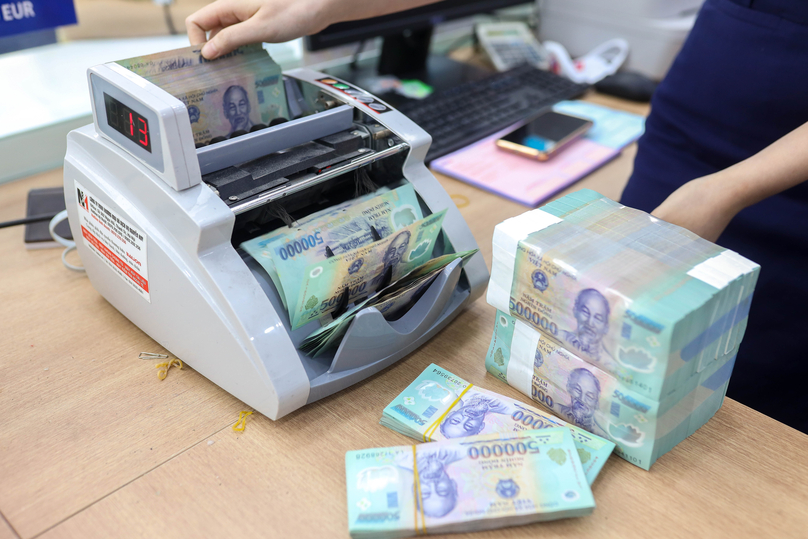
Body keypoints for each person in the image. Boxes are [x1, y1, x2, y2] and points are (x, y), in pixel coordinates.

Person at [186, 0, 808, 433]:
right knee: (613, 353)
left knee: (742, 396)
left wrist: (729, 189)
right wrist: (325, 7)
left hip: (785, 182)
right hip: (693, 123)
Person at [562, 288, 613, 363]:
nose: (590, 322)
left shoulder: (611, 366)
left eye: (598, 318)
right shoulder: (558, 336)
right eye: (586, 312)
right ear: (575, 310)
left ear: (606, 328)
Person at [558, 368, 606, 437]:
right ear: (569, 388)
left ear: (597, 403)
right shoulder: (557, 408)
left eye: (589, 396)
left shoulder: (602, 435)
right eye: (577, 390)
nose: (582, 399)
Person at [438, 394, 508, 438]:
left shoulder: (458, 390)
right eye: (469, 425)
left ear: (450, 414)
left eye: (456, 420)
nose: (467, 417)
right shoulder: (507, 409)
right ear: (481, 427)